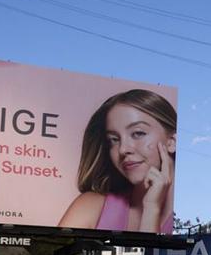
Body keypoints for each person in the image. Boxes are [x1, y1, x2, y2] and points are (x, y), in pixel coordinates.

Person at [59, 89, 176, 233]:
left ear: (172, 142)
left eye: (138, 133)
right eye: (113, 140)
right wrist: (151, 208)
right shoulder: (91, 207)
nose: (122, 149)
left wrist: (152, 209)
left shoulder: (195, 215)